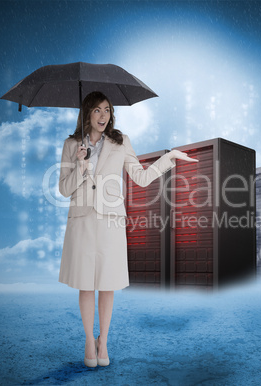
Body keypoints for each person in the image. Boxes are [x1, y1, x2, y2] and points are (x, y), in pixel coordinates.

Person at [58, 91, 197, 367]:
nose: (103, 116)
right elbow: (63, 189)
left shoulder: (121, 142)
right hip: (82, 221)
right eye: (96, 110)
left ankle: (104, 340)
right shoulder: (72, 144)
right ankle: (88, 340)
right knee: (86, 285)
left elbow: (141, 177)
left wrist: (169, 158)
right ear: (86, 113)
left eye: (107, 110)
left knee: (107, 284)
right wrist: (81, 164)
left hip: (110, 221)